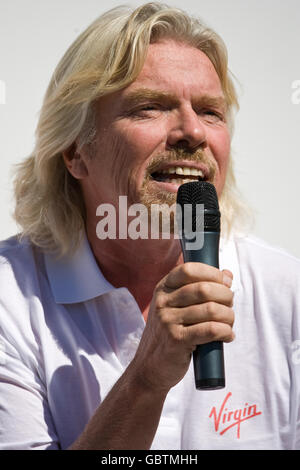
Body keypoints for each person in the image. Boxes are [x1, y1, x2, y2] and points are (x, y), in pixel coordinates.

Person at [0, 2, 299, 450]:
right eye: (150, 107)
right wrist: (145, 380)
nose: (193, 132)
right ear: (75, 151)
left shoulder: (287, 294)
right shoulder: (10, 299)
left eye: (210, 111)